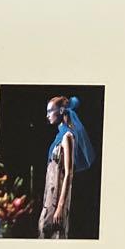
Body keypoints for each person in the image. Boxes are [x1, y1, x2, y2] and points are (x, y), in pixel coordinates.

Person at [38, 95, 95, 239]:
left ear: (61, 111)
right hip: (50, 192)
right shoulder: (59, 137)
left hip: (58, 197)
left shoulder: (67, 137)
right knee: (43, 229)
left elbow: (69, 173)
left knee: (54, 232)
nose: (47, 115)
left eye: (50, 111)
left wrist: (60, 207)